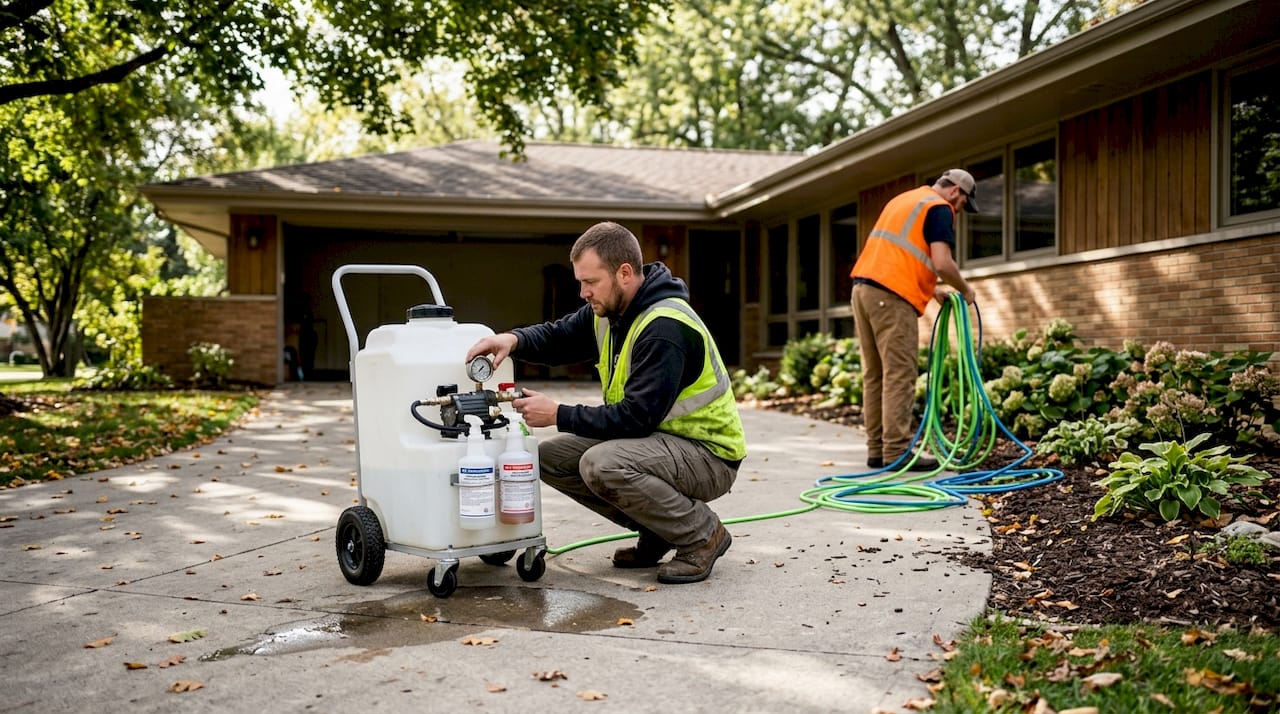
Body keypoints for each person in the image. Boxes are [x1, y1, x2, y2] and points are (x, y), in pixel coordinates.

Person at [465, 222, 746, 584]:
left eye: (590, 282)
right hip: (659, 444)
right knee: (547, 458)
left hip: (708, 455)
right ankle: (661, 531)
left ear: (624, 273)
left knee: (602, 464)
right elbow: (560, 336)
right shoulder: (613, 314)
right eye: (581, 282)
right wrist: (512, 340)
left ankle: (700, 535)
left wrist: (558, 414)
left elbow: (636, 419)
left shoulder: (664, 327)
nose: (582, 292)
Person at [849, 169, 977, 471]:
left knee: (875, 374)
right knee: (899, 374)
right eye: (962, 205)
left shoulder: (906, 199)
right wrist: (966, 289)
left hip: (863, 291)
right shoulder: (939, 208)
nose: (958, 211)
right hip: (892, 298)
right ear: (957, 192)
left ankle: (877, 450)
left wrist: (932, 289)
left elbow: (900, 255)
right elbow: (942, 262)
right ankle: (896, 452)